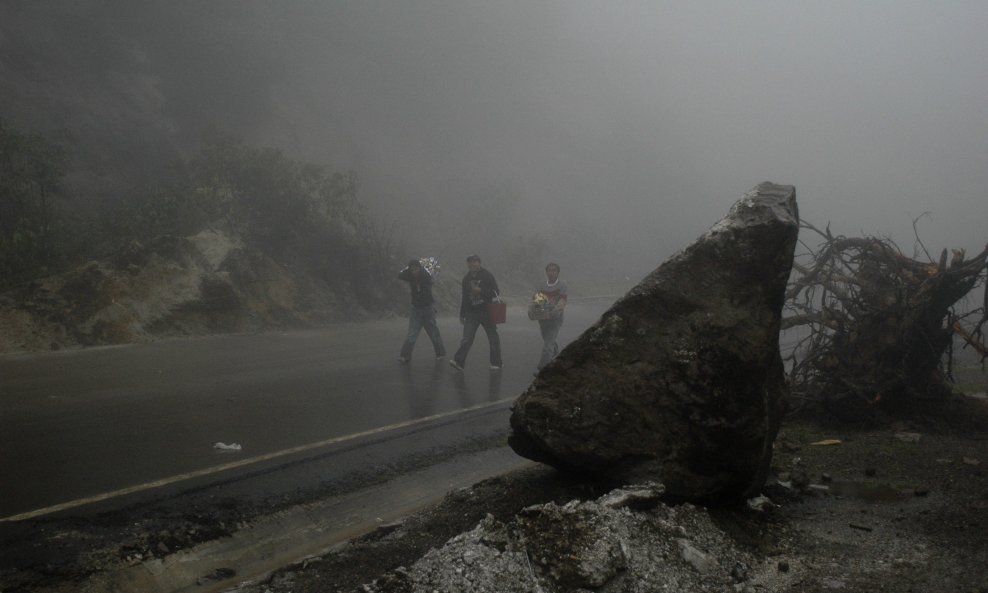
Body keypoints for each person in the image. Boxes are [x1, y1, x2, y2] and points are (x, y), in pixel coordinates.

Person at [449, 255, 503, 371]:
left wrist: (481, 291)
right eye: (469, 263)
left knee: (493, 337)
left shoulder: (487, 276)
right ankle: (459, 362)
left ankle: (496, 363)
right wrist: (462, 314)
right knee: (467, 338)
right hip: (471, 313)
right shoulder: (466, 279)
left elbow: (496, 292)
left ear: (479, 263)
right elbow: (464, 298)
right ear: (467, 264)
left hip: (487, 311)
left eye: (474, 262)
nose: (472, 265)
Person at [397, 259, 446, 363]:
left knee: (433, 333)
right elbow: (400, 275)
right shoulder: (410, 276)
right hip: (416, 309)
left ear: (420, 268)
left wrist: (424, 268)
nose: (414, 272)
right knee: (412, 333)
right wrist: (408, 269)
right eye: (412, 270)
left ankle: (440, 354)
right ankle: (405, 356)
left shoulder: (426, 276)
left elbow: (431, 275)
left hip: (428, 308)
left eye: (416, 269)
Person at [534, 262, 568, 370]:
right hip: (543, 319)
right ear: (546, 272)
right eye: (549, 270)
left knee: (548, 346)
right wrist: (537, 312)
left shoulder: (562, 285)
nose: (551, 273)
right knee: (549, 340)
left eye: (554, 270)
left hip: (556, 319)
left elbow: (562, 301)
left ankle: (542, 369)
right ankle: (558, 358)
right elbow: (537, 300)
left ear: (558, 272)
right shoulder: (541, 285)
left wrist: (554, 312)